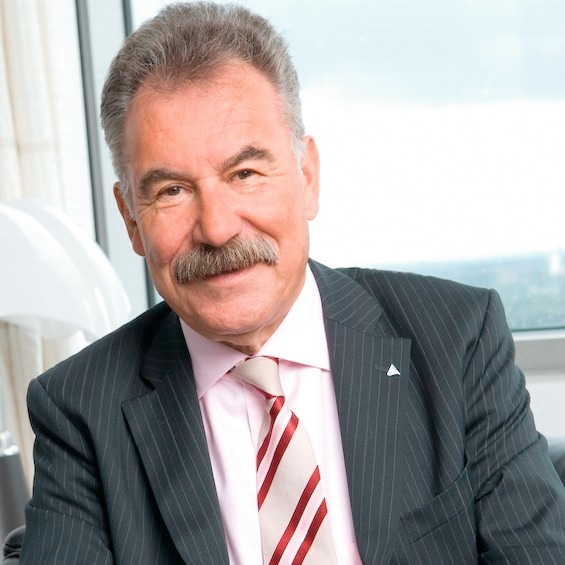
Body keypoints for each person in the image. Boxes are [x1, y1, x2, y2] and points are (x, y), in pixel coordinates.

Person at [21, 2, 565, 564]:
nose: (217, 228)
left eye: (245, 174)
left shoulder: (456, 339)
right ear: (132, 219)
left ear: (306, 176)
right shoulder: (79, 409)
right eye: (172, 191)